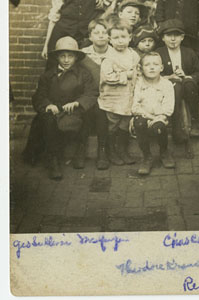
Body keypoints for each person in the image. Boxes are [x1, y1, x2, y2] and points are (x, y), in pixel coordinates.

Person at [28, 36, 98, 180]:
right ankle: (53, 160)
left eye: (70, 56)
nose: (66, 60)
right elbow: (39, 96)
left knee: (90, 111)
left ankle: (80, 150)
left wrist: (78, 102)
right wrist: (48, 105)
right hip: (55, 112)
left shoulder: (83, 74)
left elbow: (91, 93)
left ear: (76, 58)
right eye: (62, 56)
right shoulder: (47, 76)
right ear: (57, 57)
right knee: (46, 120)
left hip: (74, 111)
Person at [98, 19, 140, 166]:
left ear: (130, 37)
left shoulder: (134, 55)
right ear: (110, 40)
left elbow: (138, 72)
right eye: (115, 38)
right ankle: (111, 150)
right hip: (113, 98)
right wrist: (125, 76)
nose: (120, 41)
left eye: (123, 37)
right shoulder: (109, 58)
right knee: (113, 123)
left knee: (125, 123)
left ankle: (122, 149)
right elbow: (108, 77)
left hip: (128, 96)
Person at [156, 19, 199, 144]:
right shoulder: (158, 53)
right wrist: (168, 77)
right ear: (163, 38)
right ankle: (177, 128)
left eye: (176, 35)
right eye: (168, 35)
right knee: (175, 86)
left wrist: (188, 76)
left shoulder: (189, 53)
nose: (173, 39)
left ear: (182, 37)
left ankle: (195, 123)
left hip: (189, 89)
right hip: (169, 89)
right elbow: (152, 74)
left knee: (188, 83)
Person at [132, 52, 175, 175]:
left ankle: (164, 152)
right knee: (139, 123)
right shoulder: (139, 83)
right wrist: (150, 117)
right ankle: (146, 157)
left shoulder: (166, 84)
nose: (151, 67)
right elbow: (135, 106)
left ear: (161, 68)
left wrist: (158, 117)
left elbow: (168, 108)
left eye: (155, 64)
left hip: (161, 117)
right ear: (142, 68)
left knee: (159, 127)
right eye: (147, 65)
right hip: (143, 116)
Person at [79, 18, 114, 170]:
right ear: (90, 36)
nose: (100, 35)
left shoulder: (117, 53)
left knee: (100, 110)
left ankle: (102, 151)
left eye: (104, 32)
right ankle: (80, 149)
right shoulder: (82, 55)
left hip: (111, 95)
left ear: (109, 36)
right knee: (88, 108)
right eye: (96, 32)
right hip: (89, 95)